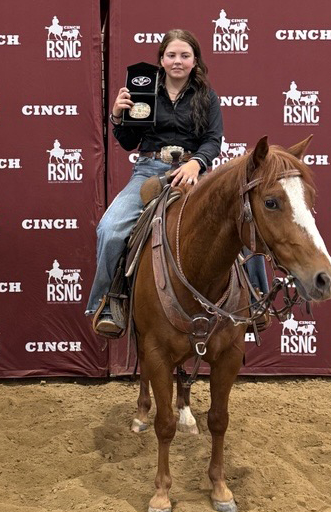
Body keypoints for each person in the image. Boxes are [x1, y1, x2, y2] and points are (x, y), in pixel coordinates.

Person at [86, 29, 223, 335]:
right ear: (161, 59)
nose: (178, 61)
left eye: (185, 55)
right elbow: (128, 141)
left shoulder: (207, 97)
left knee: (236, 220)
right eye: (171, 55)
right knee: (110, 229)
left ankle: (252, 304)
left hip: (194, 172)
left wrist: (195, 162)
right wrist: (117, 117)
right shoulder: (143, 91)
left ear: (195, 61)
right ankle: (108, 302)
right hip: (149, 170)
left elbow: (213, 140)